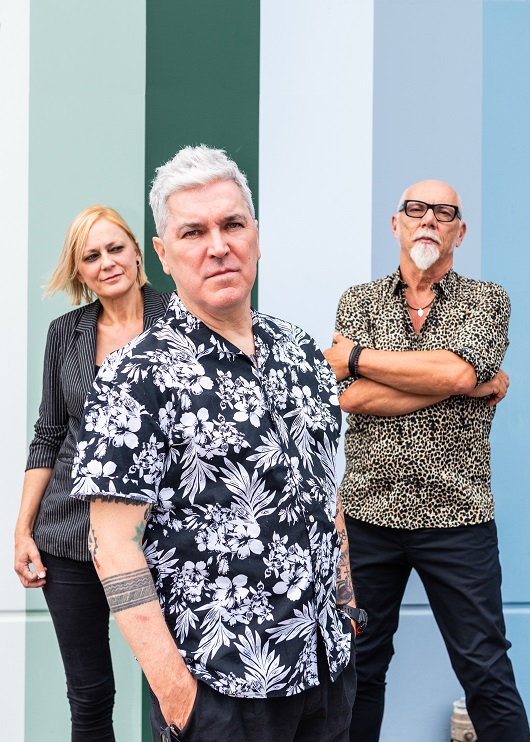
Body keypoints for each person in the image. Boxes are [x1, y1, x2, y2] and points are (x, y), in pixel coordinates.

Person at [70, 145, 360, 742]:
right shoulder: (136, 376)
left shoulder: (301, 351)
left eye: (232, 225)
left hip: (326, 670)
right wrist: (178, 695)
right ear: (163, 255)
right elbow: (112, 545)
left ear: (256, 235)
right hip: (220, 690)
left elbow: (324, 489)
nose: (218, 246)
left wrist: (347, 606)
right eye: (193, 232)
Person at [324, 180, 530, 742]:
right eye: (415, 209)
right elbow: (350, 397)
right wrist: (463, 381)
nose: (428, 219)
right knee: (359, 668)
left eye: (444, 212)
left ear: (460, 232)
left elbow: (455, 372)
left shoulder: (486, 300)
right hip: (367, 515)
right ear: (396, 225)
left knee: (486, 669)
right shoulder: (358, 301)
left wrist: (361, 357)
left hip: (457, 514)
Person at [14, 205, 173, 741]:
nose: (107, 262)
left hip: (162, 536)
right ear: (79, 271)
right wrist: (22, 531)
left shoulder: (182, 320)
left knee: (177, 690)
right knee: (89, 697)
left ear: (138, 252)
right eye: (91, 256)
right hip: (69, 535)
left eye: (115, 248)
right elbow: (48, 434)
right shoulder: (66, 333)